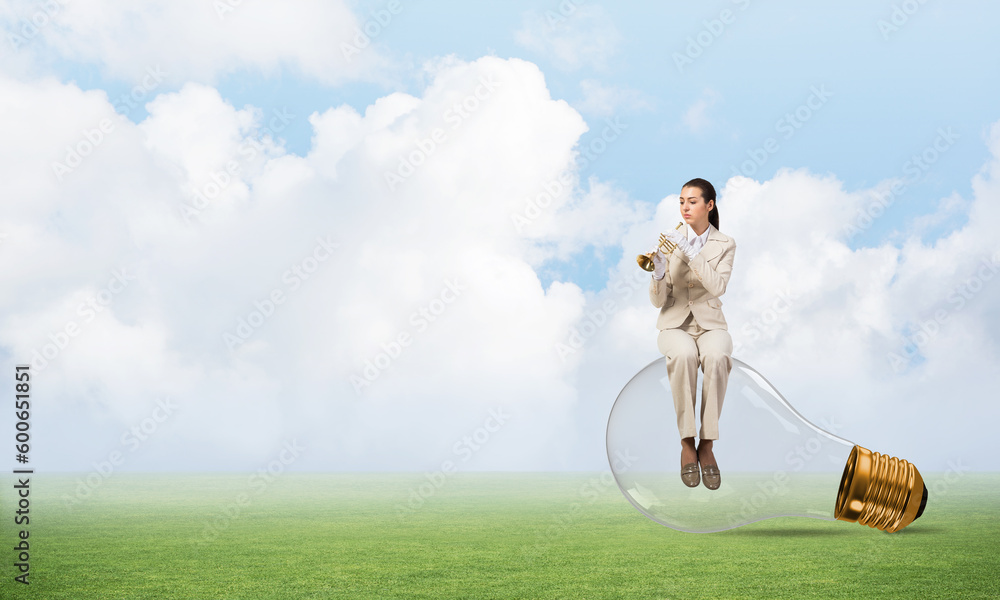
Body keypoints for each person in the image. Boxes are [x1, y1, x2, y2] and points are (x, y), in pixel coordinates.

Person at [648, 178, 736, 490]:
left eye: (693, 201)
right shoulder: (668, 242)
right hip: (675, 324)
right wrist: (658, 272)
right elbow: (659, 300)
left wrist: (688, 251)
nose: (686, 207)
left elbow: (718, 286)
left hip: (711, 323)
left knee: (717, 356)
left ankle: (707, 445)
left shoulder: (726, 244)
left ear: (709, 205)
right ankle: (687, 442)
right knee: (684, 355)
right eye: (682, 201)